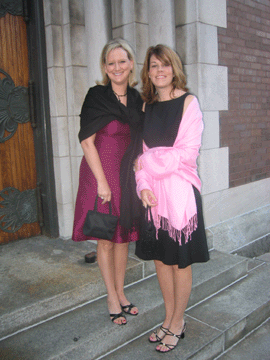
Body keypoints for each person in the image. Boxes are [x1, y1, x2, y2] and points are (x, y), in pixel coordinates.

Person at [135, 44, 209, 352]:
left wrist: (149, 163)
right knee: (161, 261)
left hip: (181, 197)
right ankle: (168, 318)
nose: (159, 70)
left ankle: (178, 322)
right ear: (148, 72)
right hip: (155, 199)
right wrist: (143, 186)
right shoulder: (146, 107)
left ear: (173, 67)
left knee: (180, 263)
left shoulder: (188, 103)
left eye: (165, 64)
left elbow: (186, 154)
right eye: (154, 66)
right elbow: (140, 156)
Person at [72, 38, 143, 325]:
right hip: (99, 172)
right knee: (106, 238)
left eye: (122, 61)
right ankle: (111, 297)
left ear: (131, 64)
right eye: (111, 62)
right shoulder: (96, 96)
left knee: (123, 237)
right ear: (104, 66)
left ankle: (121, 292)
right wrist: (102, 183)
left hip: (125, 175)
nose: (117, 67)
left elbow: (142, 139)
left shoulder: (138, 99)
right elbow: (87, 142)